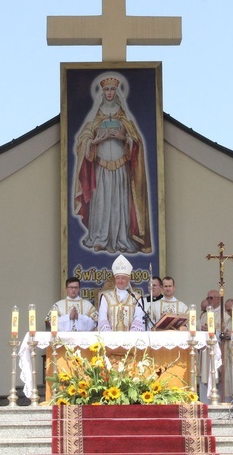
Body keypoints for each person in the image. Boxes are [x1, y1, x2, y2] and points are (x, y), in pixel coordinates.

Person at [73, 72, 152, 254]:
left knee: (119, 205)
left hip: (120, 168)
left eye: (112, 90)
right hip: (101, 168)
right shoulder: (95, 117)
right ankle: (99, 238)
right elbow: (83, 139)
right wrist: (94, 142)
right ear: (102, 93)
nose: (109, 93)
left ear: (117, 92)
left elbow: (136, 142)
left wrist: (124, 137)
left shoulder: (124, 118)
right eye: (106, 90)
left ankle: (122, 239)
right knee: (101, 203)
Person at [98, 254, 145, 331]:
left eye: (123, 278)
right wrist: (109, 337)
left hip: (131, 340)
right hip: (110, 340)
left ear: (129, 279)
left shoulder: (136, 298)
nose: (120, 281)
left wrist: (130, 338)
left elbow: (139, 318)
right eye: (117, 278)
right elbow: (102, 317)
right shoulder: (106, 297)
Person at [199, 290, 221, 402]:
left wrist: (214, 331)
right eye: (208, 298)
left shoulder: (224, 314)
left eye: (211, 298)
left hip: (217, 350)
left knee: (217, 376)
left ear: (219, 299)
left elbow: (225, 332)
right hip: (205, 351)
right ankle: (204, 402)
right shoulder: (204, 315)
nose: (209, 300)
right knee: (204, 376)